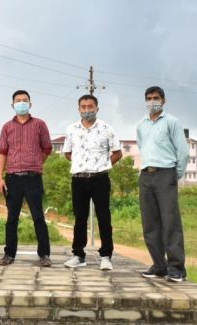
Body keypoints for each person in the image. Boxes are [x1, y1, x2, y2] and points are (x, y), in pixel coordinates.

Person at [62, 94, 122, 270]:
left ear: (97, 108)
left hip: (100, 179)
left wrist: (102, 164)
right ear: (79, 109)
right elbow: (67, 153)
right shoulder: (72, 129)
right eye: (83, 107)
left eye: (90, 106)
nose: (87, 110)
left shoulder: (107, 128)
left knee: (104, 217)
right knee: (80, 218)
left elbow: (117, 153)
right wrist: (81, 163)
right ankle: (78, 255)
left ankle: (106, 256)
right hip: (79, 179)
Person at [136, 86, 189, 282]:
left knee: (170, 222)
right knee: (150, 223)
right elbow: (143, 147)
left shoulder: (172, 122)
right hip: (146, 175)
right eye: (149, 98)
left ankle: (176, 269)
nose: (152, 101)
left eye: (156, 98)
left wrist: (175, 175)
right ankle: (159, 266)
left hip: (165, 174)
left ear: (163, 100)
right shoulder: (141, 125)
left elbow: (182, 152)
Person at [0, 90, 53, 267]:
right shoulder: (7, 127)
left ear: (30, 103)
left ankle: (44, 255)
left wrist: (36, 163)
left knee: (38, 217)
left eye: (25, 100)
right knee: (12, 218)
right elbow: (3, 152)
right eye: (18, 101)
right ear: (13, 105)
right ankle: (9, 254)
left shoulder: (39, 125)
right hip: (12, 178)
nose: (21, 103)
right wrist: (0, 177)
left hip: (33, 178)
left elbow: (47, 148)